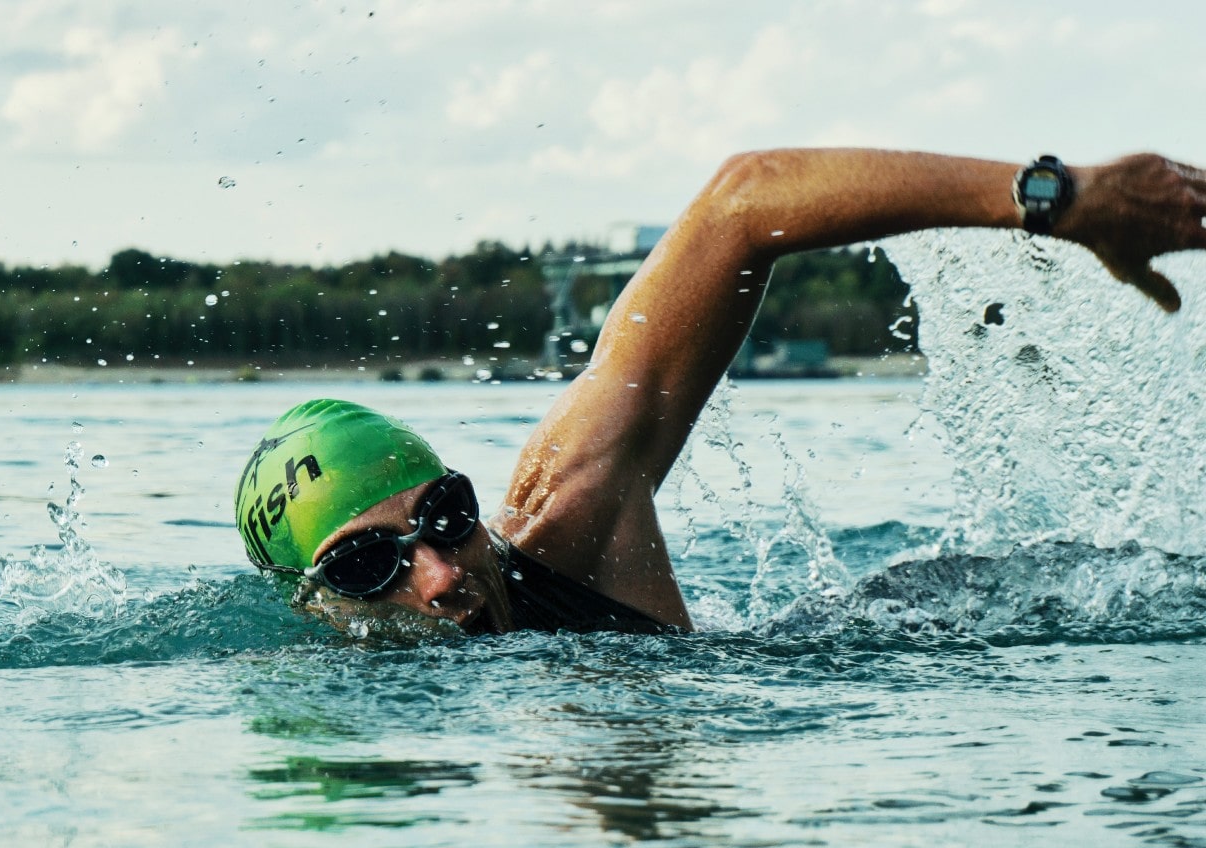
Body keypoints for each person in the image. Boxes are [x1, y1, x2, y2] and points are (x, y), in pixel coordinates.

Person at [234, 148, 1206, 635]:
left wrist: (1057, 199)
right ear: (311, 605)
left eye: (445, 517)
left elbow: (739, 202)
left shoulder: (568, 516)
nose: (440, 575)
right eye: (368, 567)